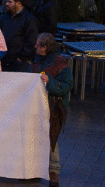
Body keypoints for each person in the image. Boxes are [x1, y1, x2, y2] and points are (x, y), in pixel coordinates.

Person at [29, 33, 73, 187]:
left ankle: (54, 170)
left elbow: (67, 86)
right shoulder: (37, 60)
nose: (35, 47)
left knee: (51, 138)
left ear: (45, 47)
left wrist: (50, 81)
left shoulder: (60, 63)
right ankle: (33, 169)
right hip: (37, 105)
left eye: (38, 45)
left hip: (54, 107)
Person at [0, 0, 39, 72]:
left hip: (19, 63)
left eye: (10, 2)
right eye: (7, 1)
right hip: (5, 60)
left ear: (19, 3)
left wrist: (21, 58)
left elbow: (31, 40)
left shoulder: (29, 19)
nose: (7, 4)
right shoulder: (5, 17)